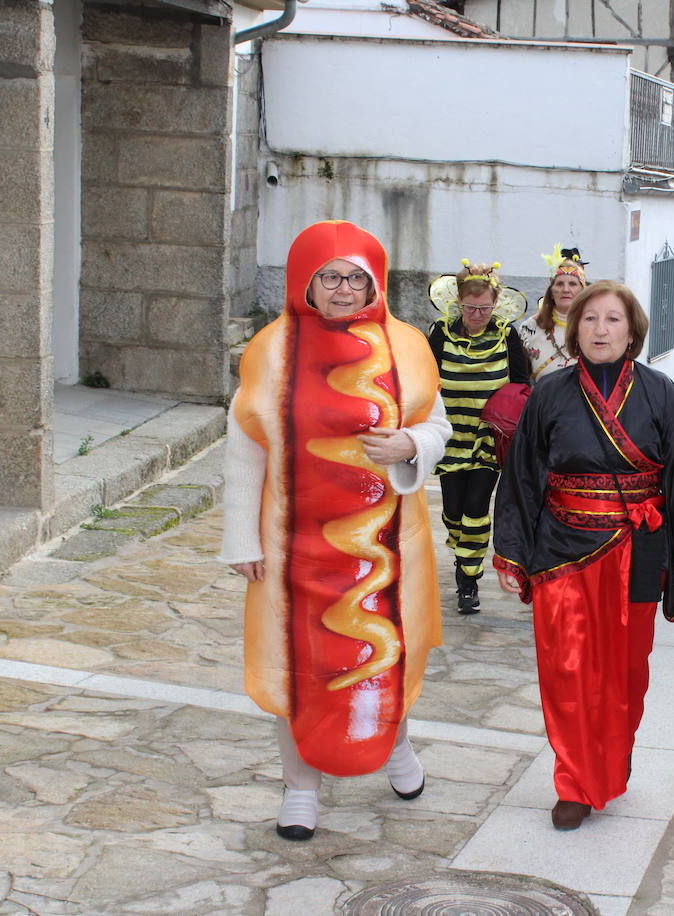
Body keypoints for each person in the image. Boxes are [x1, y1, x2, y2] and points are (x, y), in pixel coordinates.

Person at [222, 220, 453, 841]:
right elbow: (245, 446)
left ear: (374, 283)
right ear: (307, 283)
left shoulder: (406, 347)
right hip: (291, 549)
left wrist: (409, 442)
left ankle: (397, 750)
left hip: (386, 548)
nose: (344, 289)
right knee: (295, 668)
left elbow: (440, 426)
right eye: (331, 277)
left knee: (386, 655)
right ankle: (300, 789)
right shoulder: (271, 350)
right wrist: (240, 539)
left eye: (356, 277)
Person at [493, 281, 674, 831]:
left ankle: (610, 760)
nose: (600, 330)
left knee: (624, 674)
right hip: (562, 551)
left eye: (613, 320)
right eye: (590, 320)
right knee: (565, 669)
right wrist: (513, 552)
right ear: (575, 329)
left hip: (639, 550)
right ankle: (573, 781)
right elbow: (523, 475)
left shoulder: (661, 392)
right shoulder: (550, 393)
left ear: (633, 331)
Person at [427, 261, 530, 613]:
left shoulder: (506, 334)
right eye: (471, 308)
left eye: (484, 308)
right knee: (452, 514)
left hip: (487, 440)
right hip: (449, 437)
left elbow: (521, 386)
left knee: (475, 509)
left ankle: (467, 581)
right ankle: (462, 552)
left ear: (496, 303)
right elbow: (425, 378)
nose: (477, 314)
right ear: (458, 302)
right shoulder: (441, 331)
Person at [519, 245, 588, 381]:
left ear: (582, 291)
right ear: (551, 291)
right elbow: (522, 378)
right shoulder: (530, 327)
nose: (566, 290)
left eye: (573, 284)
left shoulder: (594, 327)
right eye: (559, 284)